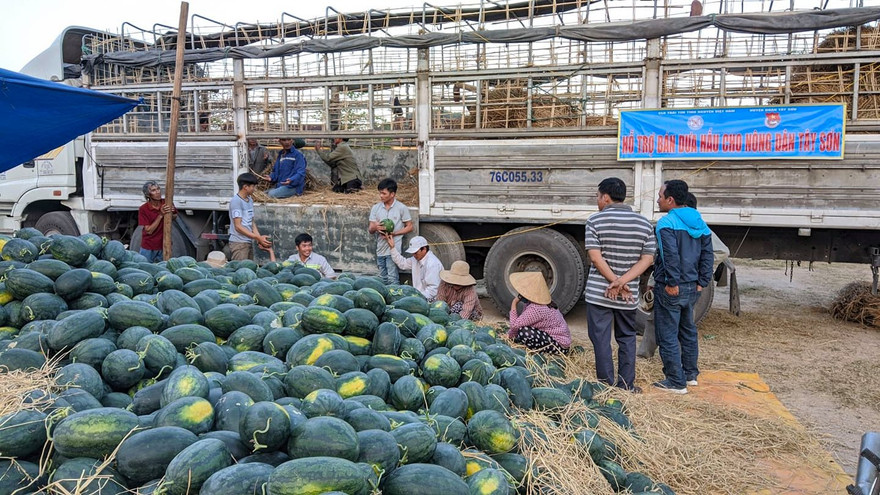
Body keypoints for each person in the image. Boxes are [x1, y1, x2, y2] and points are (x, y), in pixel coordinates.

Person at [637, 192, 730, 359]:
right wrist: (653, 281)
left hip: (682, 283)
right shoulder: (672, 224)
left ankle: (676, 363)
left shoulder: (695, 226)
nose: (659, 200)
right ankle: (648, 354)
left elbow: (721, 251)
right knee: (657, 320)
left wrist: (697, 267)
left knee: (679, 324)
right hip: (672, 282)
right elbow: (662, 258)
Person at [584, 177, 655, 392]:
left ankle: (606, 386)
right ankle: (626, 385)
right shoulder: (644, 223)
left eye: (597, 196)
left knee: (601, 339)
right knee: (627, 338)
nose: (597, 200)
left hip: (600, 293)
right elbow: (647, 259)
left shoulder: (594, 221)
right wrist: (623, 282)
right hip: (628, 294)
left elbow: (595, 257)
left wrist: (615, 282)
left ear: (606, 197)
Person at [652, 179, 714, 394]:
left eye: (660, 196)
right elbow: (708, 255)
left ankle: (675, 381)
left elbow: (669, 255)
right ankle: (690, 375)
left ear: (670, 200)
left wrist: (672, 282)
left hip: (672, 288)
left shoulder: (666, 223)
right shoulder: (700, 222)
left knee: (667, 334)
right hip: (692, 287)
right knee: (688, 331)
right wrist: (702, 282)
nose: (658, 200)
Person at [505, 272, 571, 354]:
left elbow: (515, 326)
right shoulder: (540, 303)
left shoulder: (537, 309)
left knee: (524, 332)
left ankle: (536, 353)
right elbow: (522, 321)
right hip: (556, 339)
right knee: (522, 331)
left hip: (559, 346)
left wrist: (514, 302)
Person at [368, 178, 413, 285]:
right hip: (380, 249)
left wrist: (394, 233)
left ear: (392, 194)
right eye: (380, 193)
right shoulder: (375, 208)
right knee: (382, 280)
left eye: (384, 193)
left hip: (393, 249)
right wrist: (376, 227)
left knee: (392, 279)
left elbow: (410, 227)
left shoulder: (401, 208)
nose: (381, 196)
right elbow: (370, 229)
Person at [228, 172, 272, 261]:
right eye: (253, 186)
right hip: (239, 243)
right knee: (241, 268)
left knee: (249, 267)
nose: (254, 189)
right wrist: (257, 237)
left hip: (248, 241)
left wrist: (259, 238)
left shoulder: (250, 200)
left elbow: (251, 222)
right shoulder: (236, 201)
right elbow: (238, 227)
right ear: (245, 187)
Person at [386, 235, 443, 302]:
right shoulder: (415, 259)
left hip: (430, 301)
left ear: (424, 249)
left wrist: (416, 298)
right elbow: (403, 264)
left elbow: (433, 290)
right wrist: (392, 248)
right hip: (418, 298)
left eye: (415, 253)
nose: (414, 255)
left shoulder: (433, 264)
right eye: (412, 253)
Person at [137, 181, 177, 263]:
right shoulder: (144, 209)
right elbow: (149, 230)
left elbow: (175, 217)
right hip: (148, 247)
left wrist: (171, 213)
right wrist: (161, 215)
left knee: (164, 268)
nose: (157, 192)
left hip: (164, 245)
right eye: (153, 190)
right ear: (148, 195)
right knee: (145, 267)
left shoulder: (166, 203)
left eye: (158, 189)